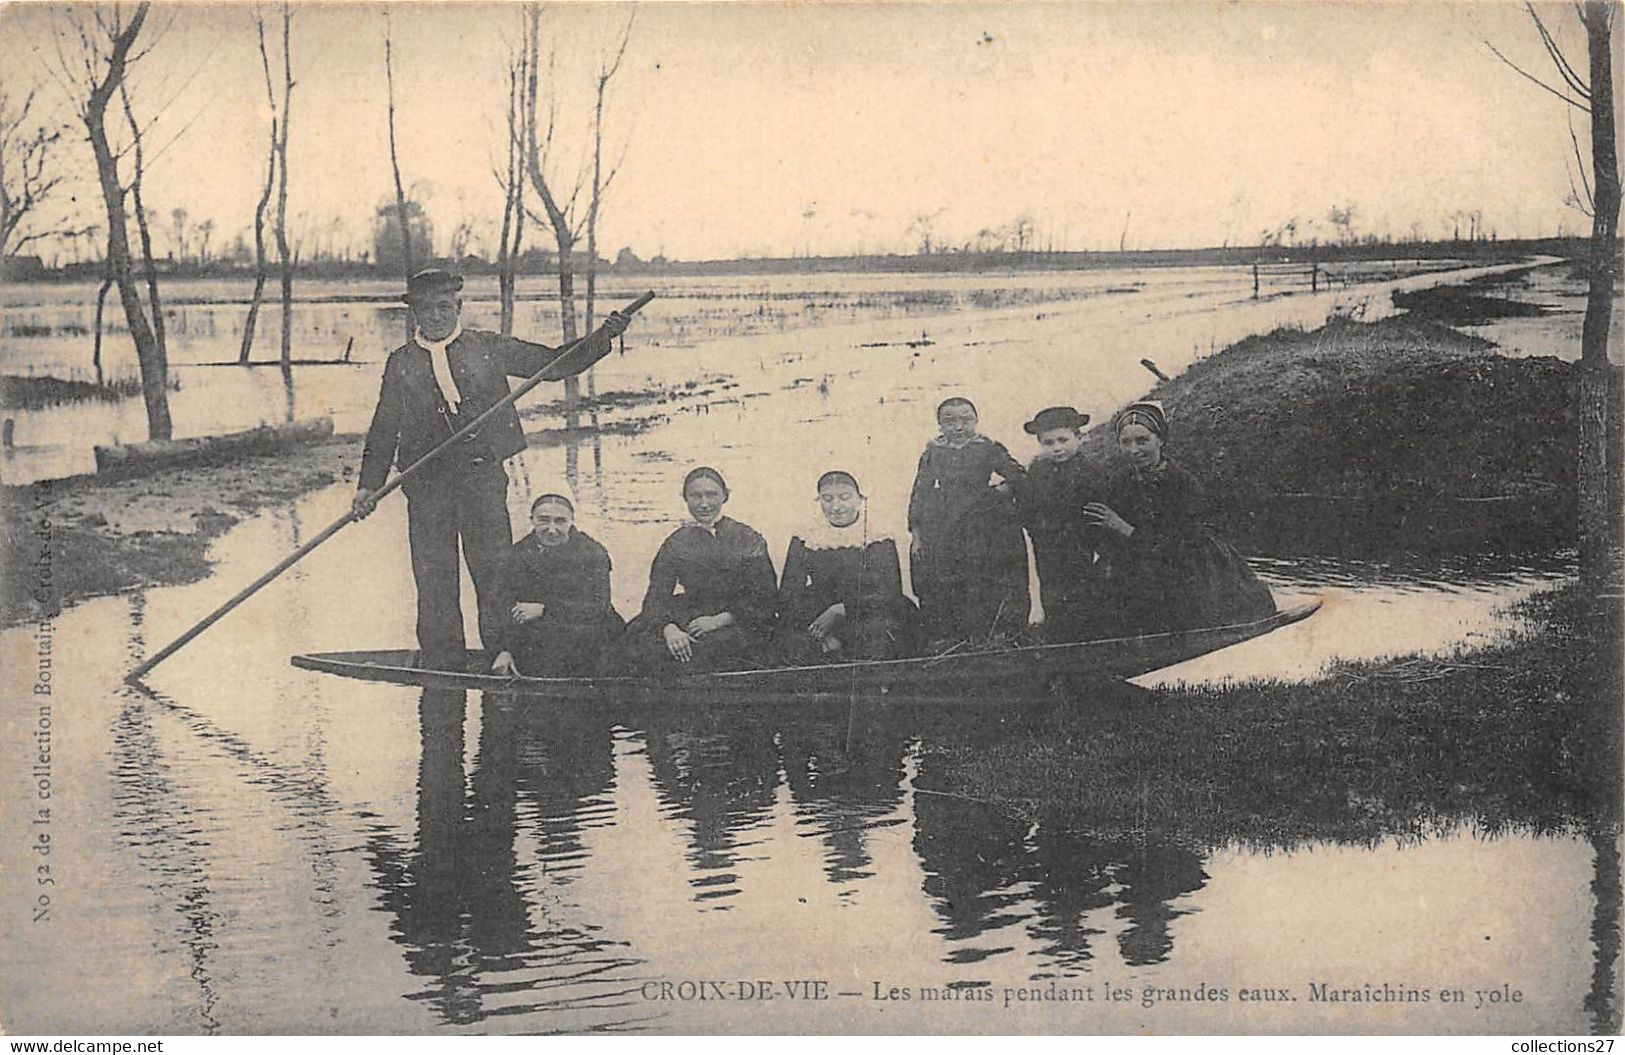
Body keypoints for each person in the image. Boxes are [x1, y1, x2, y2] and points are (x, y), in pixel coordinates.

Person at [350, 267, 629, 670]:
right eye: (426, 309)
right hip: (426, 489)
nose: (436, 316)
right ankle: (442, 666)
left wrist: (604, 336)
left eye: (444, 307)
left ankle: (503, 655)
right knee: (434, 581)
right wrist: (367, 487)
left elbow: (554, 364)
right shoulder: (401, 363)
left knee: (494, 577)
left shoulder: (488, 348)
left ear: (459, 307)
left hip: (481, 484)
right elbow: (383, 428)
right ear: (414, 314)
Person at [1082, 400, 1276, 634]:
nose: (1134, 450)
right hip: (1133, 564)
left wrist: (1124, 528)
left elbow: (1183, 543)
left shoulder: (1182, 483)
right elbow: (1105, 534)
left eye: (1142, 440)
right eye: (1126, 442)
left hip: (1183, 566)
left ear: (1160, 440)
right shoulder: (1118, 482)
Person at [609, 466, 778, 673]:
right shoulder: (677, 542)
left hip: (738, 619)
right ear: (685, 498)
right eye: (696, 496)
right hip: (689, 614)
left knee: (708, 650)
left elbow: (766, 597)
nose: (704, 504)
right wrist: (669, 629)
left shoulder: (747, 538)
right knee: (634, 645)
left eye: (711, 495)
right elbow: (656, 596)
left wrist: (718, 621)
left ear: (725, 496)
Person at [906, 397, 1030, 647]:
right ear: (940, 425)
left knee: (988, 574)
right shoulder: (933, 452)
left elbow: (1018, 474)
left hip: (985, 522)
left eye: (966, 420)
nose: (959, 427)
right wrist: (917, 535)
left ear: (976, 420)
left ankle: (997, 632)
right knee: (950, 576)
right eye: (949, 421)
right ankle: (956, 635)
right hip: (946, 523)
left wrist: (1000, 492)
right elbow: (920, 492)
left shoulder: (987, 447)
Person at [776, 470, 916, 664]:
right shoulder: (806, 536)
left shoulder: (878, 535)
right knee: (798, 647)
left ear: (859, 499)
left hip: (868, 614)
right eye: (827, 498)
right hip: (819, 615)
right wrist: (823, 633)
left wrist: (842, 609)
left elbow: (890, 592)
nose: (836, 506)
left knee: (879, 642)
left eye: (844, 497)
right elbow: (789, 594)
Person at [489, 492, 625, 678]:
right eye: (544, 520)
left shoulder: (591, 553)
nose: (552, 529)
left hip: (586, 634)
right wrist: (504, 649)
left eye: (560, 521)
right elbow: (502, 606)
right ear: (532, 520)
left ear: (571, 521)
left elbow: (599, 608)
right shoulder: (518, 554)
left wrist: (546, 610)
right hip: (541, 636)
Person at [1016, 405, 1109, 643]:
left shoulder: (1089, 471)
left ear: (1079, 438)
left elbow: (1098, 507)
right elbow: (1027, 505)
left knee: (1084, 591)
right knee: (1051, 589)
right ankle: (1057, 637)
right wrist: (1036, 529)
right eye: (1048, 443)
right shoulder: (1037, 470)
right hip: (1047, 545)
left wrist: (1092, 539)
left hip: (1080, 543)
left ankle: (1086, 638)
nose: (1057, 448)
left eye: (1063, 440)